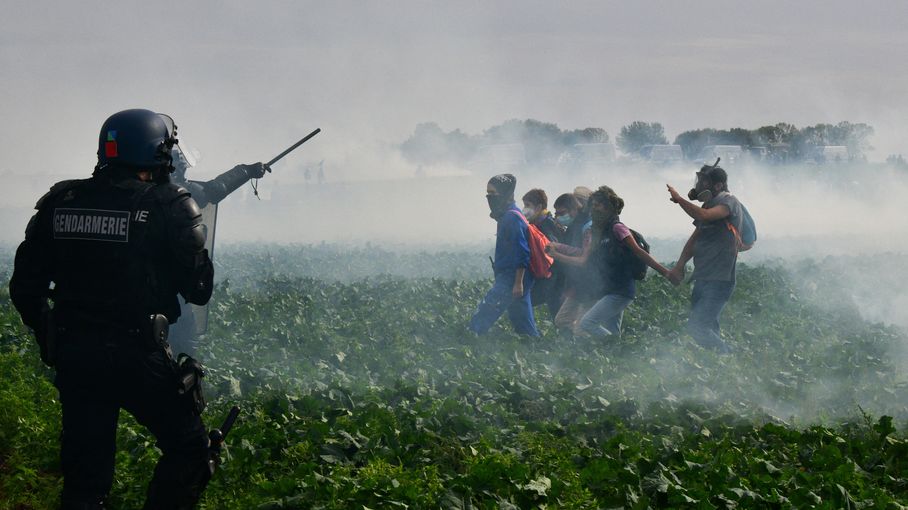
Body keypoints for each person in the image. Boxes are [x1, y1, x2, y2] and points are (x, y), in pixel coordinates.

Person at [9, 109, 216, 509]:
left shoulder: (61, 201)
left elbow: (24, 287)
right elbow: (200, 290)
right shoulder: (169, 204)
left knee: (85, 484)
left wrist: (49, 335)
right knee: (190, 450)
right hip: (139, 356)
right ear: (159, 153)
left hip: (77, 358)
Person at [168, 146, 267, 356]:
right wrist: (246, 171)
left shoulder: (125, 194)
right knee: (182, 347)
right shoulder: (175, 196)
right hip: (169, 293)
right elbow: (214, 190)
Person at [567, 186, 672, 338]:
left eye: (598, 205)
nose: (594, 210)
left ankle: (618, 348)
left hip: (620, 291)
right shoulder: (598, 232)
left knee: (587, 323)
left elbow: (638, 251)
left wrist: (666, 272)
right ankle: (617, 356)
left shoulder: (618, 228)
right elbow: (586, 255)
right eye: (593, 206)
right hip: (609, 290)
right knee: (613, 331)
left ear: (608, 207)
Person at [666, 161, 744, 353]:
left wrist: (679, 200)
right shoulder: (710, 204)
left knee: (697, 327)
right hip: (703, 276)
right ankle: (718, 364)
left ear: (717, 185)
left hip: (720, 278)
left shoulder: (728, 202)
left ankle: (729, 355)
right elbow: (694, 240)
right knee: (708, 327)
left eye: (704, 182)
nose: (699, 187)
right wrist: (680, 265)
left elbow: (705, 216)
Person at [468, 174, 539, 336]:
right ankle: (534, 346)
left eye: (493, 193)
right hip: (517, 277)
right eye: (488, 193)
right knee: (523, 323)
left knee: (485, 313)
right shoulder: (511, 214)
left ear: (506, 194)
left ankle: (470, 339)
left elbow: (522, 252)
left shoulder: (511, 218)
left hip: (511, 277)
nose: (489, 198)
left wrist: (517, 283)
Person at [547, 192, 595, 335]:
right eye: (556, 213)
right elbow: (578, 251)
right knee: (562, 320)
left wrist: (558, 253)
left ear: (574, 209)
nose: (558, 217)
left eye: (562, 213)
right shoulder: (575, 226)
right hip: (578, 284)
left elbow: (584, 258)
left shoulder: (587, 227)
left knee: (583, 327)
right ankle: (573, 349)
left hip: (591, 284)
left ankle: (606, 345)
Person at [521, 188, 564, 317]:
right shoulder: (540, 222)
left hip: (553, 277)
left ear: (539, 207)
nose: (524, 209)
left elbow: (552, 249)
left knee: (558, 315)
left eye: (527, 205)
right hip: (549, 277)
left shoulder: (546, 225)